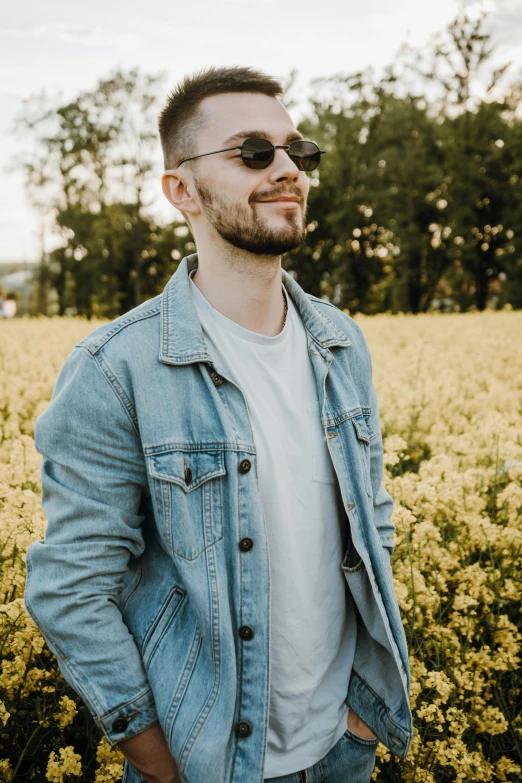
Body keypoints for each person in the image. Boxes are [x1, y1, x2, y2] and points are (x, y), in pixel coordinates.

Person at [24, 66, 413, 783]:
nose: (289, 169)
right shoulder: (117, 368)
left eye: (300, 151)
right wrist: (163, 764)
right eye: (255, 153)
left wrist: (360, 721)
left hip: (343, 746)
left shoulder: (340, 343)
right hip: (208, 762)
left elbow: (372, 523)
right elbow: (71, 588)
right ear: (181, 190)